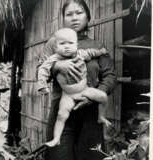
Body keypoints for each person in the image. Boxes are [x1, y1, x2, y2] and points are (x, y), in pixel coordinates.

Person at [38, 0, 116, 159]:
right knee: (58, 156)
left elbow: (110, 75)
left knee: (91, 156)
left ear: (87, 16)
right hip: (62, 107)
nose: (74, 18)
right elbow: (40, 70)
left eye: (79, 13)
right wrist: (58, 66)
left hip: (91, 112)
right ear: (63, 19)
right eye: (69, 14)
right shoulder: (54, 43)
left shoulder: (96, 45)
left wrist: (94, 94)